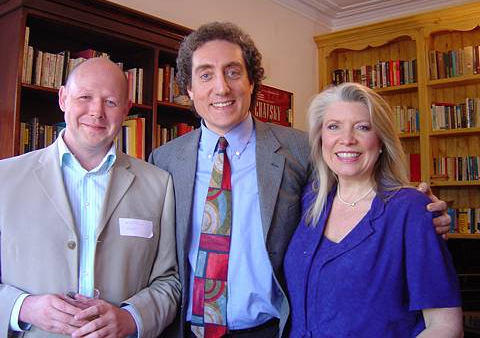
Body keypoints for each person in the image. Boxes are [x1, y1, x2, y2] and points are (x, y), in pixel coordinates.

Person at [149, 22, 452, 337]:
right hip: (186, 329)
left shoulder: (301, 149)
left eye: (234, 72)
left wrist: (421, 215)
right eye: (206, 74)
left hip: (271, 329)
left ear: (252, 81)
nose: (222, 88)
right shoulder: (165, 159)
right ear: (189, 88)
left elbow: (359, 192)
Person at [0, 57, 180, 337]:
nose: (96, 112)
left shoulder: (158, 185)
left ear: (126, 110)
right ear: (63, 98)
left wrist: (132, 318)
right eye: (85, 97)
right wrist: (24, 308)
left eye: (110, 102)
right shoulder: (5, 179)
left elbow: (169, 281)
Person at [284, 82, 463, 337]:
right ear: (321, 139)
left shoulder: (410, 209)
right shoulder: (308, 202)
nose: (346, 139)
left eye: (363, 127)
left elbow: (445, 327)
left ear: (381, 141)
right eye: (333, 126)